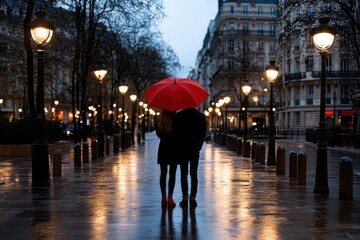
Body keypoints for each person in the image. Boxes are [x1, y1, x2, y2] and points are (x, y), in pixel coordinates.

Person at [172, 107, 207, 208]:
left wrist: (178, 146)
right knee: (194, 173)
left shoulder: (178, 116)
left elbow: (174, 134)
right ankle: (193, 198)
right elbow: (203, 134)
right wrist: (199, 146)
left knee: (183, 173)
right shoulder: (201, 117)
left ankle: (185, 197)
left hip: (182, 148)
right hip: (195, 148)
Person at [155, 110, 178, 208]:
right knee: (172, 173)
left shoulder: (159, 119)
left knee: (163, 173)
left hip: (163, 147)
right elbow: (179, 133)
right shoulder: (177, 119)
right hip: (174, 147)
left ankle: (163, 196)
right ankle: (170, 197)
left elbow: (158, 134)